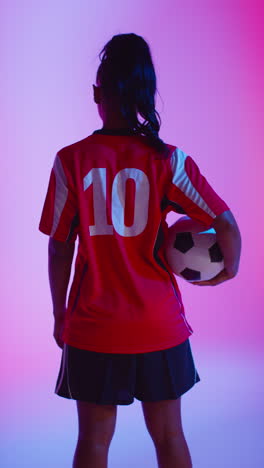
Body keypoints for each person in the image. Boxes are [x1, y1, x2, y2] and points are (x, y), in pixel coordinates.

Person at [38, 33, 241, 468]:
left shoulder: (70, 160)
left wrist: (60, 315)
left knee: (93, 442)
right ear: (145, 96)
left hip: (94, 325)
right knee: (169, 437)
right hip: (158, 325)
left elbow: (58, 249)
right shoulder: (168, 160)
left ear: (96, 94)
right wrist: (231, 268)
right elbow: (224, 221)